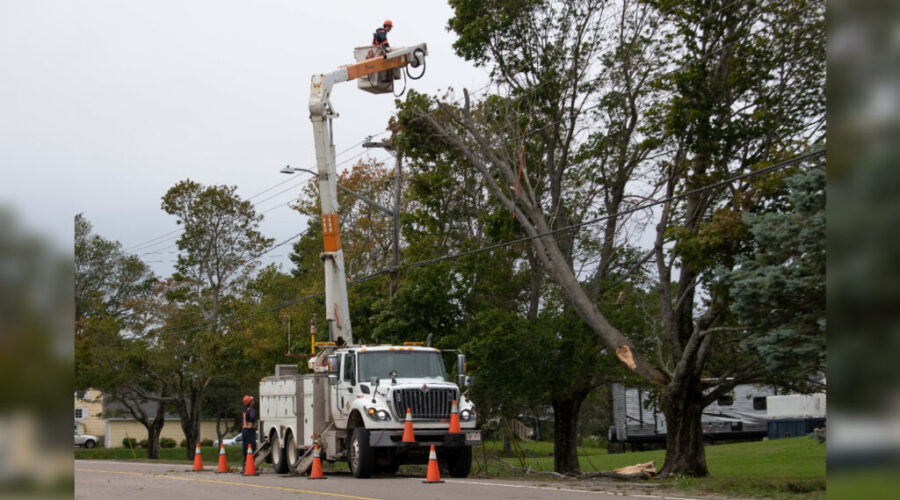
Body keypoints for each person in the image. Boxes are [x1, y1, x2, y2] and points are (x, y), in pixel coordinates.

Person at [241, 395, 257, 469]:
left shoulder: (245, 410)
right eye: (251, 401)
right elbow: (252, 417)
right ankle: (251, 465)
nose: (253, 402)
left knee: (245, 447)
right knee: (251, 447)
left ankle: (244, 465)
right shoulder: (250, 410)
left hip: (244, 430)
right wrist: (253, 421)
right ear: (249, 402)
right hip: (250, 430)